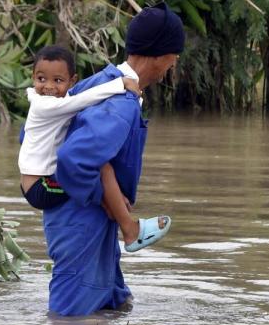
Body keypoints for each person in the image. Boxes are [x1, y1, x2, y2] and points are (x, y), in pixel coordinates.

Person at [44, 3, 184, 316]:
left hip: (89, 225)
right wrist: (106, 199)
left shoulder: (102, 82)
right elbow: (73, 159)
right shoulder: (121, 103)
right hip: (81, 225)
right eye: (174, 56)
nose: (174, 64)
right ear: (160, 55)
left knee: (117, 307)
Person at [19, 45, 168, 252]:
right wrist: (121, 84)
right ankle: (129, 229)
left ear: (73, 81)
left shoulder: (55, 101)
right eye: (41, 79)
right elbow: (82, 100)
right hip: (40, 188)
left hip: (40, 181)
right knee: (101, 169)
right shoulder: (44, 105)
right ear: (33, 77)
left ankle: (113, 207)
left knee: (100, 175)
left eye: (58, 80)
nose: (48, 86)